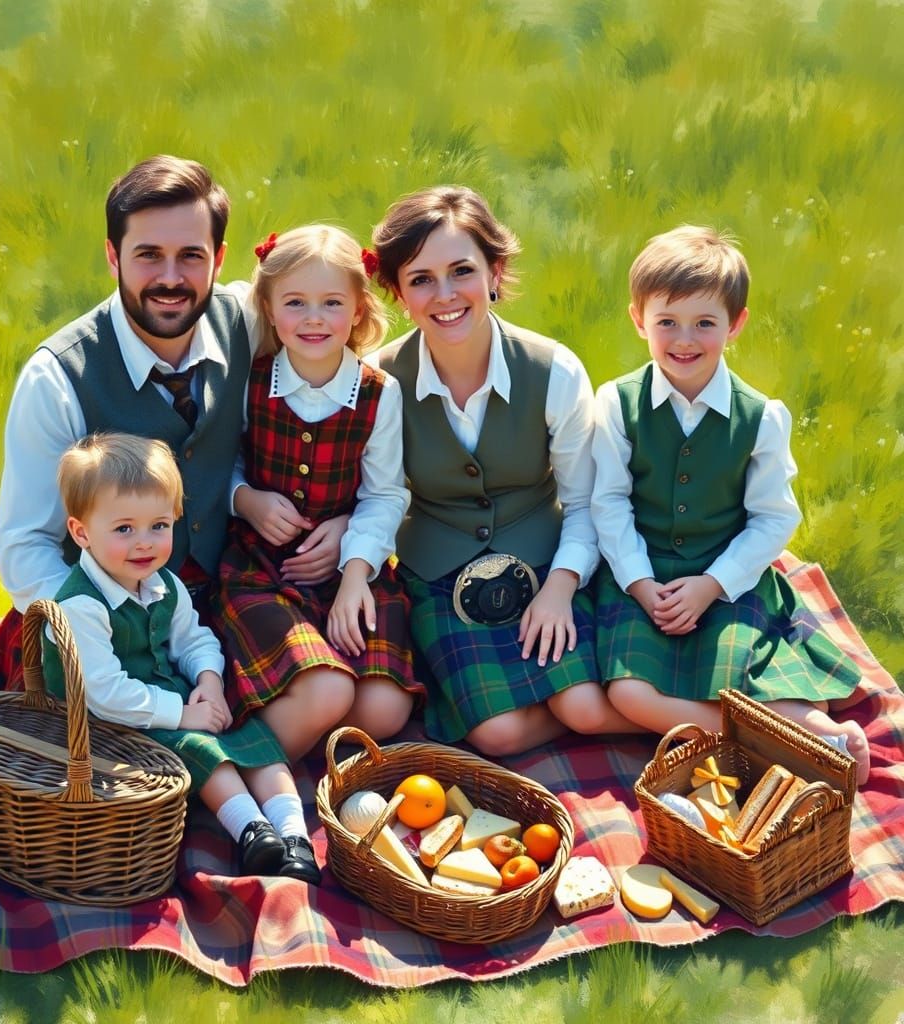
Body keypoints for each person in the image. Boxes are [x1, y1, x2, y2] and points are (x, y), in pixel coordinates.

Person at [0, 155, 343, 700]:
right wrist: (98, 632)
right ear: (112, 256)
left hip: (229, 586)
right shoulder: (57, 377)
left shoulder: (246, 318)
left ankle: (219, 761)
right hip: (110, 610)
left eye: (190, 256)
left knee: (346, 695)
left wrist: (344, 519)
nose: (170, 279)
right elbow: (22, 544)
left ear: (217, 259)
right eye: (148, 256)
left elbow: (343, 381)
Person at [591, 224, 870, 783]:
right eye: (666, 321)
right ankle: (783, 743)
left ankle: (809, 731)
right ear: (638, 320)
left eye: (704, 323)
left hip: (725, 573)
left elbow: (774, 517)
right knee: (629, 691)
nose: (684, 339)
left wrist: (713, 584)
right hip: (641, 574)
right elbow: (609, 503)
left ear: (735, 325)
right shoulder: (616, 403)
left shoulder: (761, 416)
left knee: (740, 671)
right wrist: (641, 584)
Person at [370, 186, 639, 757]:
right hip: (439, 571)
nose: (445, 295)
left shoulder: (554, 370)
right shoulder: (382, 381)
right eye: (420, 279)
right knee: (496, 734)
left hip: (545, 560)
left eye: (461, 270)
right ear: (397, 292)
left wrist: (561, 589)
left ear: (495, 272)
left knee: (585, 707)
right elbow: (383, 492)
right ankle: (551, 701)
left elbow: (585, 501)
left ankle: (712, 725)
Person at [41, 433, 321, 882]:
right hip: (101, 724)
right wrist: (184, 714)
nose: (144, 543)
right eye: (124, 529)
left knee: (255, 739)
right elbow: (105, 694)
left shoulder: (162, 583)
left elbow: (194, 639)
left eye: (159, 525)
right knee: (202, 748)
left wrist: (209, 681)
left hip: (163, 697)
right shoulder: (81, 606)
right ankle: (252, 832)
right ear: (81, 533)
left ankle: (294, 838)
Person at [216, 226, 422, 761]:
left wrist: (356, 570)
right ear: (268, 305)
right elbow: (222, 464)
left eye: (332, 303)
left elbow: (385, 495)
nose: (313, 318)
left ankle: (292, 721)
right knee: (330, 688)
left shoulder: (379, 393)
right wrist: (248, 501)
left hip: (348, 567)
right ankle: (237, 764)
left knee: (384, 710)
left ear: (357, 309)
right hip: (263, 566)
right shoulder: (250, 380)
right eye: (295, 302)